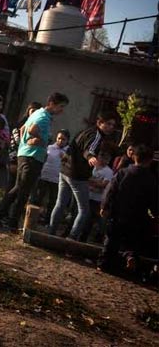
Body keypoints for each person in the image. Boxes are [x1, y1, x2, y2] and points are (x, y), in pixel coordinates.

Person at [0, 92, 69, 231]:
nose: (62, 110)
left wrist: (24, 145)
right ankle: (8, 220)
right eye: (61, 106)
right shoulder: (44, 117)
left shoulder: (38, 113)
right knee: (22, 190)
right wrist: (38, 141)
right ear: (52, 104)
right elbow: (32, 131)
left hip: (26, 155)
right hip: (32, 157)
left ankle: (3, 217)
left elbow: (22, 129)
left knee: (20, 188)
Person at [48, 111, 118, 241]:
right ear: (99, 123)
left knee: (60, 204)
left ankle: (50, 232)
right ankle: (72, 237)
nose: (111, 127)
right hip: (76, 175)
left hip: (65, 171)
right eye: (108, 124)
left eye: (113, 125)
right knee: (84, 209)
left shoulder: (84, 131)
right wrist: (91, 157)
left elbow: (71, 147)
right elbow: (89, 150)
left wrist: (66, 161)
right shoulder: (97, 136)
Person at [98, 145, 159, 273]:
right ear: (149, 161)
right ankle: (130, 257)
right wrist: (155, 213)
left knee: (111, 241)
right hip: (138, 215)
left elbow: (110, 190)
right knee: (132, 241)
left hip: (118, 213)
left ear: (134, 157)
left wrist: (105, 206)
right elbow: (154, 199)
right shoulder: (151, 179)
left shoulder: (123, 173)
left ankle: (104, 264)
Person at [30, 130, 70, 225]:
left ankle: (48, 221)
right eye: (59, 138)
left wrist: (66, 158)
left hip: (57, 180)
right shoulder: (50, 147)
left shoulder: (68, 152)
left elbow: (70, 166)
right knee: (38, 198)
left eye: (63, 139)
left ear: (67, 140)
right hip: (45, 176)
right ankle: (33, 218)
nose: (60, 141)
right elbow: (43, 159)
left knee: (52, 201)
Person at [6, 102, 42, 194]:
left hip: (30, 163)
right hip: (16, 160)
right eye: (33, 111)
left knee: (23, 190)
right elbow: (13, 146)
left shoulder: (40, 127)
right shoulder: (19, 127)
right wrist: (13, 162)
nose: (34, 114)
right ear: (28, 112)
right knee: (12, 187)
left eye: (37, 112)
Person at [81, 148, 114, 243]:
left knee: (92, 220)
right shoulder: (92, 166)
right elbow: (85, 177)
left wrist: (91, 181)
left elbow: (103, 184)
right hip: (87, 196)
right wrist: (96, 182)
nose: (103, 160)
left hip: (98, 200)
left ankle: (92, 238)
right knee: (84, 218)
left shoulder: (108, 172)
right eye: (101, 157)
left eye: (106, 158)